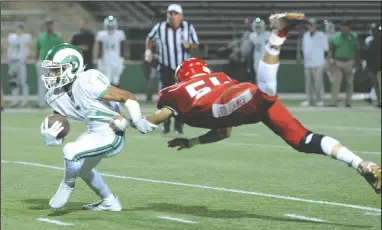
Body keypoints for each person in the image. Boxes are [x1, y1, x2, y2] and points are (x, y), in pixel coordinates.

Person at [140, 13, 381, 196]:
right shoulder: (219, 77)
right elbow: (224, 131)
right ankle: (361, 164)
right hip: (241, 98)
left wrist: (133, 121)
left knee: (265, 95)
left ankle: (279, 33)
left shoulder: (176, 90)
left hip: (228, 102)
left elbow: (162, 114)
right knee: (303, 140)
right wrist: (192, 142)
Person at [39, 43, 157, 210]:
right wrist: (54, 135)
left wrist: (137, 121)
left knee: (70, 151)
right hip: (93, 133)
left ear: (71, 67)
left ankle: (67, 185)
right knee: (82, 170)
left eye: (56, 69)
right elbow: (61, 121)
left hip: (111, 133)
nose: (51, 74)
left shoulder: (87, 80)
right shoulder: (55, 95)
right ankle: (110, 202)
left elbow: (127, 96)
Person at [145, 3, 199, 135]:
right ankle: (166, 124)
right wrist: (148, 51)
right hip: (166, 67)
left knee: (182, 98)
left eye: (175, 14)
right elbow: (150, 38)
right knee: (166, 98)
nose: (172, 17)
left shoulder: (188, 27)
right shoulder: (160, 27)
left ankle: (179, 126)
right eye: (170, 14)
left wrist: (189, 46)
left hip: (183, 69)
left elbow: (196, 46)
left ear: (181, 16)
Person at [328, 20, 360, 107]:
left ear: (349, 27)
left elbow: (357, 51)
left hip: (350, 62)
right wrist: (331, 62)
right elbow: (331, 50)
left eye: (346, 26)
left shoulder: (354, 37)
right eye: (343, 26)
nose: (344, 28)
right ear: (340, 27)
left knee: (349, 83)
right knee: (335, 82)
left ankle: (348, 102)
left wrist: (357, 63)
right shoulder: (335, 37)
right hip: (338, 62)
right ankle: (334, 102)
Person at [35, 19, 63, 108]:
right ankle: (41, 103)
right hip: (42, 61)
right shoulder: (41, 37)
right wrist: (36, 60)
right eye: (48, 25)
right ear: (46, 26)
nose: (49, 26)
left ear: (53, 25)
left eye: (51, 25)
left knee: (54, 84)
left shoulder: (58, 36)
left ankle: (54, 103)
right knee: (41, 83)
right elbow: (37, 49)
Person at [300, 18, 328, 107]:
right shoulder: (305, 35)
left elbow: (326, 50)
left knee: (318, 82)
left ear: (315, 26)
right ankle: (309, 100)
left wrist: (324, 61)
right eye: (309, 25)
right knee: (308, 83)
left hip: (318, 62)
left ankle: (320, 99)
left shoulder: (321, 35)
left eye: (312, 25)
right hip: (308, 63)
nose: (311, 26)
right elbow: (304, 48)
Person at [96, 16, 126, 87]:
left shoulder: (120, 33)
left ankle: (116, 97)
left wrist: (122, 60)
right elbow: (100, 49)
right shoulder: (101, 34)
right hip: (106, 59)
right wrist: (99, 60)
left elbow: (122, 48)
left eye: (111, 26)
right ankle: (108, 97)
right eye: (109, 26)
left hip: (116, 59)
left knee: (116, 80)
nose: (110, 28)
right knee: (106, 80)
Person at [7, 23, 32, 108]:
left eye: (20, 29)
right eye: (17, 29)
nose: (18, 31)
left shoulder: (26, 37)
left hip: (21, 62)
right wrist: (8, 59)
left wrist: (25, 58)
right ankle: (15, 100)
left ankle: (25, 100)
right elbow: (10, 48)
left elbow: (27, 47)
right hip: (12, 62)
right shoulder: (12, 37)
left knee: (23, 81)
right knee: (13, 82)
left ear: (22, 30)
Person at [364, 23, 381, 108]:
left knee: (380, 85)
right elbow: (368, 55)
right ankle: (379, 102)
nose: (373, 31)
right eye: (372, 30)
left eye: (375, 30)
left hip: (380, 67)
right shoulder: (369, 40)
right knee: (376, 86)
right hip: (372, 67)